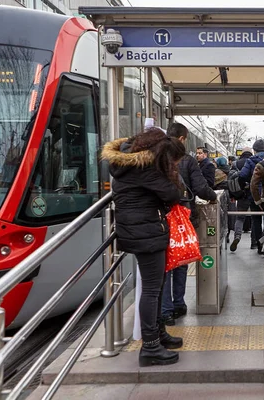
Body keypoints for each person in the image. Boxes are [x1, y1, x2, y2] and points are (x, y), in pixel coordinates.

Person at [102, 127, 185, 367]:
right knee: (151, 289)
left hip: (137, 229)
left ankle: (158, 335)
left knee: (155, 286)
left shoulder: (128, 164)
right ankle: (150, 347)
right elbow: (172, 194)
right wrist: (171, 172)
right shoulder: (145, 168)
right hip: (145, 231)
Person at [162, 123, 216, 325]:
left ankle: (165, 311)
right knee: (181, 258)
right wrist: (213, 197)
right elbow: (201, 188)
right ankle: (178, 304)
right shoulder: (188, 161)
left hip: (162, 217)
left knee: (166, 262)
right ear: (183, 139)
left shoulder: (157, 158)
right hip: (183, 217)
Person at [238, 139, 264, 251]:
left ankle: (257, 243)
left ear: (254, 150)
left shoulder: (250, 161)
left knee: (256, 220)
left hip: (254, 194)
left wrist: (245, 186)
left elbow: (242, 175)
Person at [230, 147, 254, 252]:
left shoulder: (236, 164)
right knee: (255, 218)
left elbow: (230, 180)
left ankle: (237, 236)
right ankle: (254, 242)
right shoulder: (254, 162)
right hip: (253, 194)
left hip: (241, 195)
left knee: (240, 218)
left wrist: (233, 195)